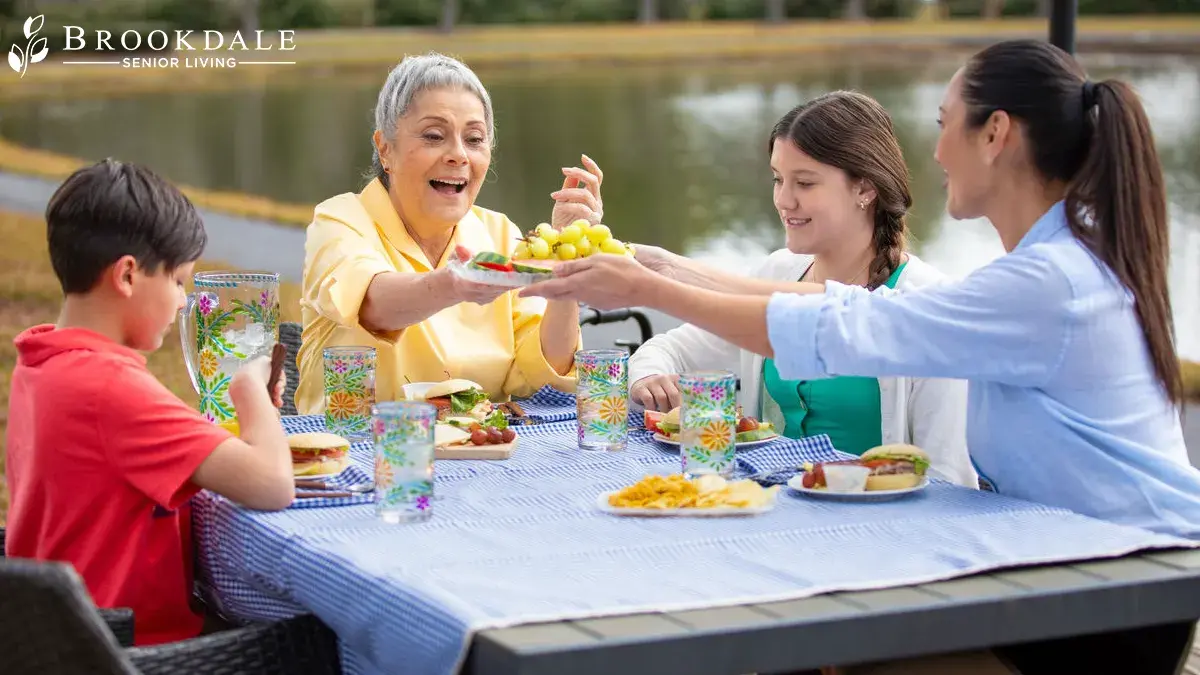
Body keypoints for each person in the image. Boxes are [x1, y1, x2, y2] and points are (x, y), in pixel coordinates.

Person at [523, 38, 1200, 673]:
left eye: (944, 124)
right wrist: (657, 265)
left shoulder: (1046, 283)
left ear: (995, 135)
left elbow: (846, 325)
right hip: (1096, 581)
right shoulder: (1054, 264)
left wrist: (646, 284)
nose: (933, 152)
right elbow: (830, 307)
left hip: (1114, 609)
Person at [4, 160, 294, 646]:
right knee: (314, 637)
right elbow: (273, 485)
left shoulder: (41, 362)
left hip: (59, 638)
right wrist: (249, 392)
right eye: (179, 282)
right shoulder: (109, 387)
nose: (183, 302)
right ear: (128, 275)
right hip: (130, 648)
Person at [627, 91, 975, 487]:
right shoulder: (779, 271)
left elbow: (949, 478)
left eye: (805, 183)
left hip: (878, 529)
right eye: (778, 179)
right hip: (774, 509)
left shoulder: (928, 304)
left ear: (865, 189)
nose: (783, 200)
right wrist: (649, 377)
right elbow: (672, 349)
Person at [296, 52, 599, 412]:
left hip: (479, 452)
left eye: (474, 139)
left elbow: (543, 377)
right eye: (434, 136)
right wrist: (452, 285)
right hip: (359, 453)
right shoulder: (339, 219)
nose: (458, 155)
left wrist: (567, 261)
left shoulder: (500, 232)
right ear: (385, 149)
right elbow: (372, 306)